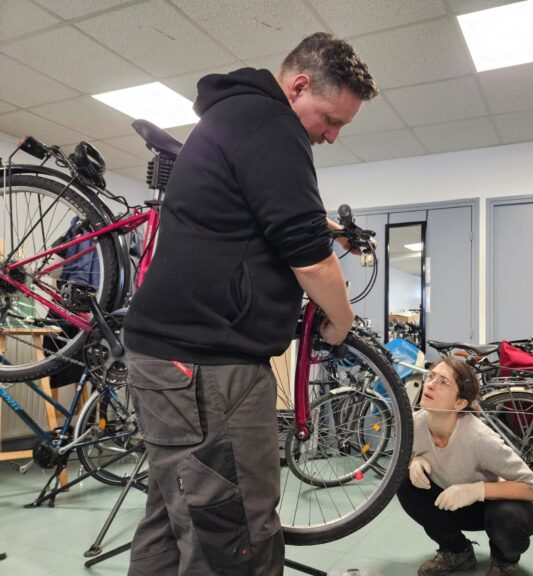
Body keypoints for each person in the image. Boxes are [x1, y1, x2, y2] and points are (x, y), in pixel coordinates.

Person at [122, 32, 377, 576]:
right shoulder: (271, 124)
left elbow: (249, 218)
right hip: (206, 366)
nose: (331, 136)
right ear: (299, 86)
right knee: (235, 533)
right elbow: (309, 257)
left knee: (174, 522)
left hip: (170, 357)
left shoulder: (233, 117)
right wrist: (342, 316)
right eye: (331, 121)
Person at [398, 357, 533, 576]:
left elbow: (532, 487)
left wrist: (476, 490)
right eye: (431, 376)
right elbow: (407, 459)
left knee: (506, 515)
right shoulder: (414, 424)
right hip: (452, 502)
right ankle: (457, 552)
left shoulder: (479, 437)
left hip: (492, 508)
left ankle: (504, 562)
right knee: (404, 483)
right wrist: (414, 462)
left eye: (443, 382)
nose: (430, 384)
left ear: (460, 403)